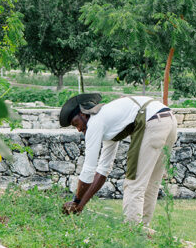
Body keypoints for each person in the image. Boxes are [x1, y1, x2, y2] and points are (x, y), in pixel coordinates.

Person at [59, 92, 178, 225]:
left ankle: (133, 232)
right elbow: (103, 170)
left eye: (76, 124)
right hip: (169, 119)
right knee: (151, 183)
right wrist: (81, 205)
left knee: (133, 184)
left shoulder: (94, 122)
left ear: (83, 114)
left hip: (151, 120)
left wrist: (75, 201)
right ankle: (144, 231)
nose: (78, 129)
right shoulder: (109, 120)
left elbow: (88, 170)